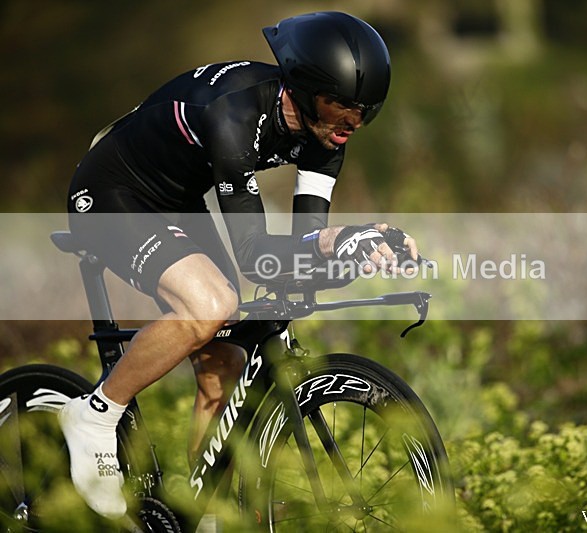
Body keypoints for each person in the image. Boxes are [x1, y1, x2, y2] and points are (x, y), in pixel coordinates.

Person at [58, 11, 418, 519]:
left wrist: (354, 251)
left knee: (225, 364)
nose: (350, 125)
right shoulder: (234, 114)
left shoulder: (327, 138)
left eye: (363, 113)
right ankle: (95, 414)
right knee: (212, 305)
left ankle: (198, 514)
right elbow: (257, 258)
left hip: (180, 199)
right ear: (303, 87)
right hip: (112, 191)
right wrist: (333, 242)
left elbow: (300, 255)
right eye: (339, 107)